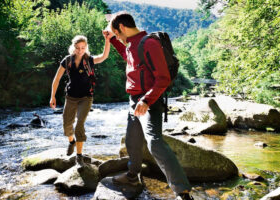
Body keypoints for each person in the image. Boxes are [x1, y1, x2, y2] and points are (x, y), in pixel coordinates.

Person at [105, 12, 194, 200]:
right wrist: (112, 41)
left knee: (154, 142)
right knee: (132, 140)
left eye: (116, 33)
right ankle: (132, 177)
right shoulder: (131, 45)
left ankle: (183, 192)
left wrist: (146, 100)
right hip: (134, 100)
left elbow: (163, 79)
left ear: (121, 27)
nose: (117, 36)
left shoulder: (149, 43)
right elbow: (127, 55)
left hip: (149, 101)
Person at [50, 33, 110, 166]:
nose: (80, 50)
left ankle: (79, 156)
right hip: (71, 97)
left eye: (83, 47)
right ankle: (71, 142)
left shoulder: (89, 60)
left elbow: (104, 56)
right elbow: (57, 79)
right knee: (67, 126)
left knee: (80, 125)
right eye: (78, 47)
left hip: (86, 97)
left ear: (86, 47)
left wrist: (107, 40)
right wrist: (52, 96)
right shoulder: (67, 60)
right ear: (73, 47)